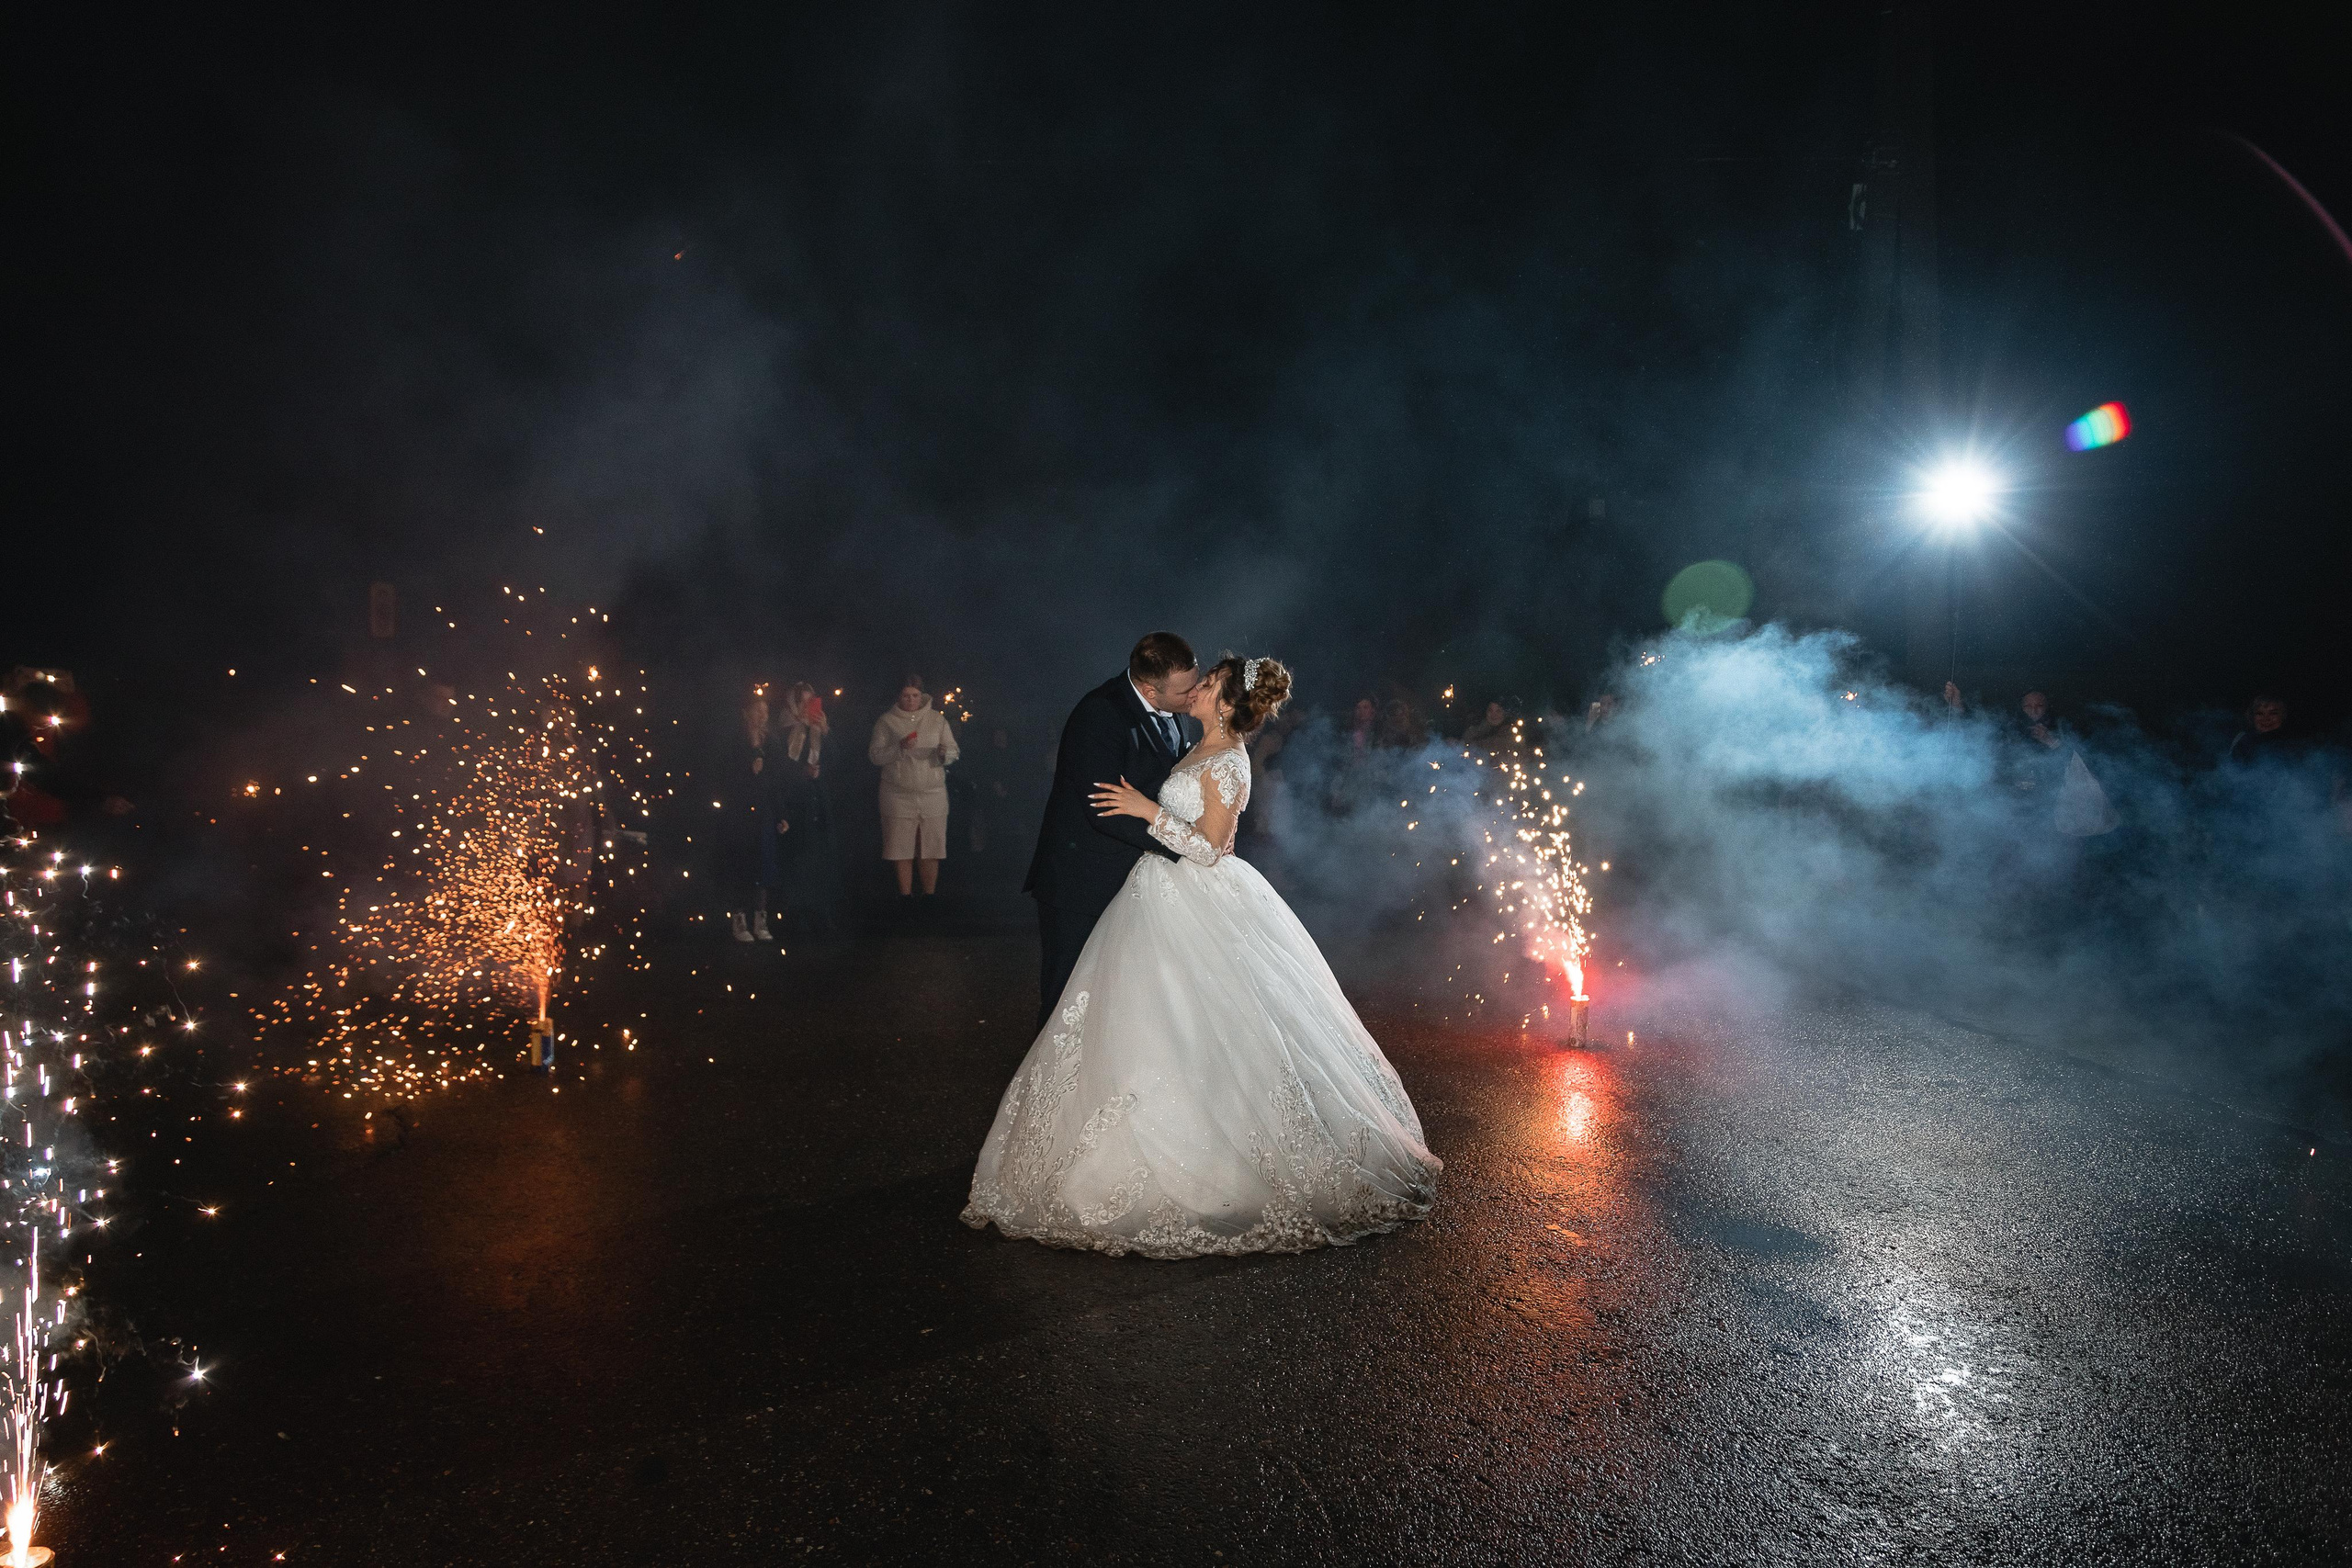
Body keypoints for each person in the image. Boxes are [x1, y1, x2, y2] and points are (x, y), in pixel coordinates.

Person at [964, 653, 1441, 1259]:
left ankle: (1214, 1162)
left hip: (1195, 894)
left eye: (1208, 681)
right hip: (1156, 893)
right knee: (1144, 1019)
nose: (1197, 687)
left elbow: (1211, 848)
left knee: (1205, 1022)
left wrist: (1147, 811)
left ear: (1225, 700)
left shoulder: (1229, 757)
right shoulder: (1195, 747)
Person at [1024, 633, 1198, 1032]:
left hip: (1133, 878)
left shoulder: (1177, 710)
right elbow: (1105, 811)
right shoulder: (1100, 714)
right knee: (1066, 998)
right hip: (1082, 880)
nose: (1195, 693)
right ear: (1149, 689)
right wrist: (1183, 846)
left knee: (1120, 999)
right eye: (1185, 689)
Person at [868, 674, 959, 898]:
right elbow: (875, 756)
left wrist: (943, 753)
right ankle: (905, 897)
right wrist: (898, 748)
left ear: (922, 696)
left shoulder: (937, 721)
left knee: (931, 848)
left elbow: (953, 751)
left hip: (932, 794)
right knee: (902, 850)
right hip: (898, 794)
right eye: (906, 696)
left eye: (915, 696)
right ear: (899, 697)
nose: (910, 700)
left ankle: (929, 897)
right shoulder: (886, 722)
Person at [773, 682, 840, 935]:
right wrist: (802, 772)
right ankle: (797, 914)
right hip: (794, 800)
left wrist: (825, 731)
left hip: (817, 799)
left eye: (812, 701)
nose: (808, 707)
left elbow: (835, 760)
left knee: (819, 857)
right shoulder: (784, 728)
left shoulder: (818, 729)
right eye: (804, 702)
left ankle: (820, 912)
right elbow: (780, 766)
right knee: (797, 857)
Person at [725, 692, 781, 942]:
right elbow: (725, 777)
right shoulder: (736, 740)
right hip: (741, 813)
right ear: (747, 712)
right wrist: (749, 768)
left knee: (764, 865)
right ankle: (739, 920)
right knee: (741, 864)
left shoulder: (771, 742)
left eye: (766, 712)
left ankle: (761, 918)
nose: (763, 716)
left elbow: (780, 778)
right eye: (758, 711)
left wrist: (781, 813)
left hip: (765, 811)